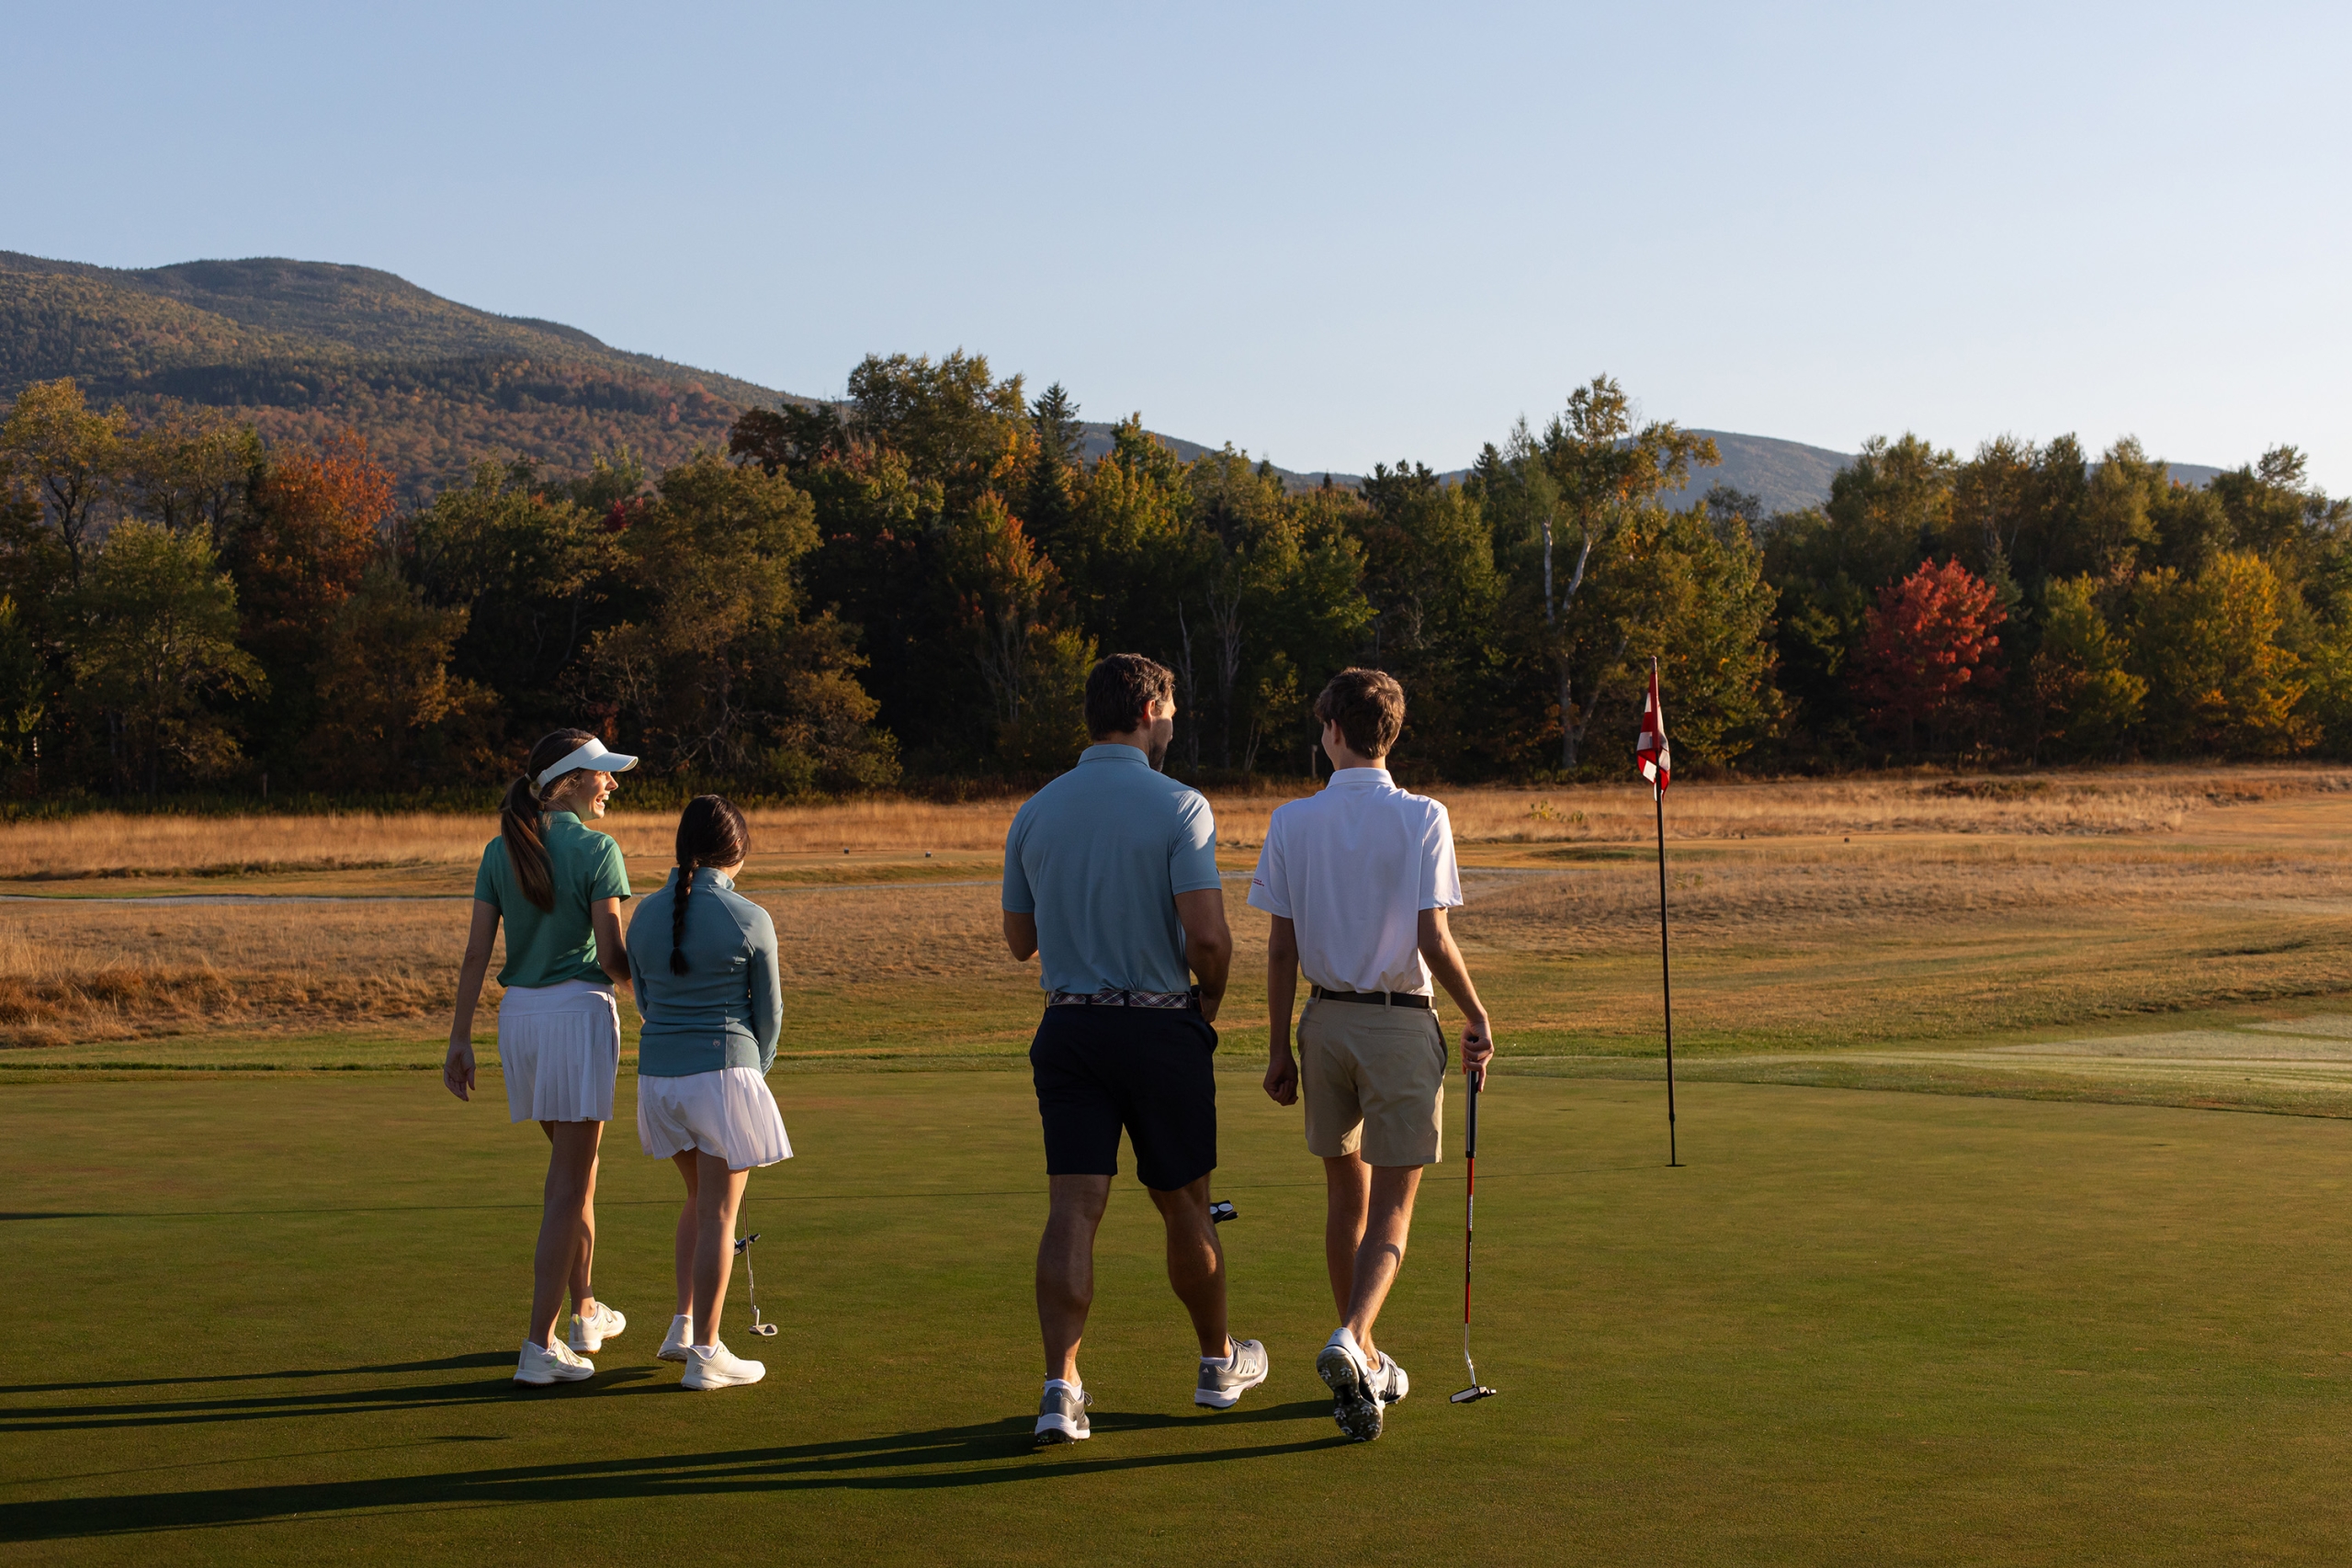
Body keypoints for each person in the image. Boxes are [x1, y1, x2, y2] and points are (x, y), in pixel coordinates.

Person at [1001, 653, 1269, 1445]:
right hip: (1160, 1027)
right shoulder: (1180, 806)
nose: (1175, 722)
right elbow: (1210, 938)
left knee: (1073, 1211)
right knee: (1185, 1203)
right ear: (1150, 709)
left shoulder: (1036, 811)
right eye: (1174, 708)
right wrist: (1207, 1007)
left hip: (1072, 1027)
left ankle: (1061, 1387)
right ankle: (1218, 1364)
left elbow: (1021, 941)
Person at [1251, 669, 1495, 1442]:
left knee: (1343, 1199)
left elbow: (1282, 946)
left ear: (1331, 731)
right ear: (1391, 733)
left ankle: (1361, 1360)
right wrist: (1479, 1013)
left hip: (1323, 1023)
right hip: (1398, 1024)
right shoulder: (1424, 815)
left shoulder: (1292, 820)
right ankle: (1353, 1337)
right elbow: (1432, 937)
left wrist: (1276, 1045)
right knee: (1392, 1204)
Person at [444, 728, 639, 1386]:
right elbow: (613, 959)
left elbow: (476, 953)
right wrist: (662, 1003)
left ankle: (585, 1310)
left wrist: (459, 1037)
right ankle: (540, 1342)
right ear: (568, 782)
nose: (610, 784)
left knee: (575, 1171)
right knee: (568, 1186)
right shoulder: (598, 848)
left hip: (520, 1021)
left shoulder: (501, 849)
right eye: (601, 775)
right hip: (576, 1017)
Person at [628, 795, 790, 1393]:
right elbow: (769, 1015)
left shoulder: (643, 913)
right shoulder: (749, 916)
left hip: (659, 1082)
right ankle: (706, 1352)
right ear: (737, 852)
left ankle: (683, 1322)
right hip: (722, 1076)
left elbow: (645, 999)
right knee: (720, 1213)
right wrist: (756, 1072)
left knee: (700, 1202)